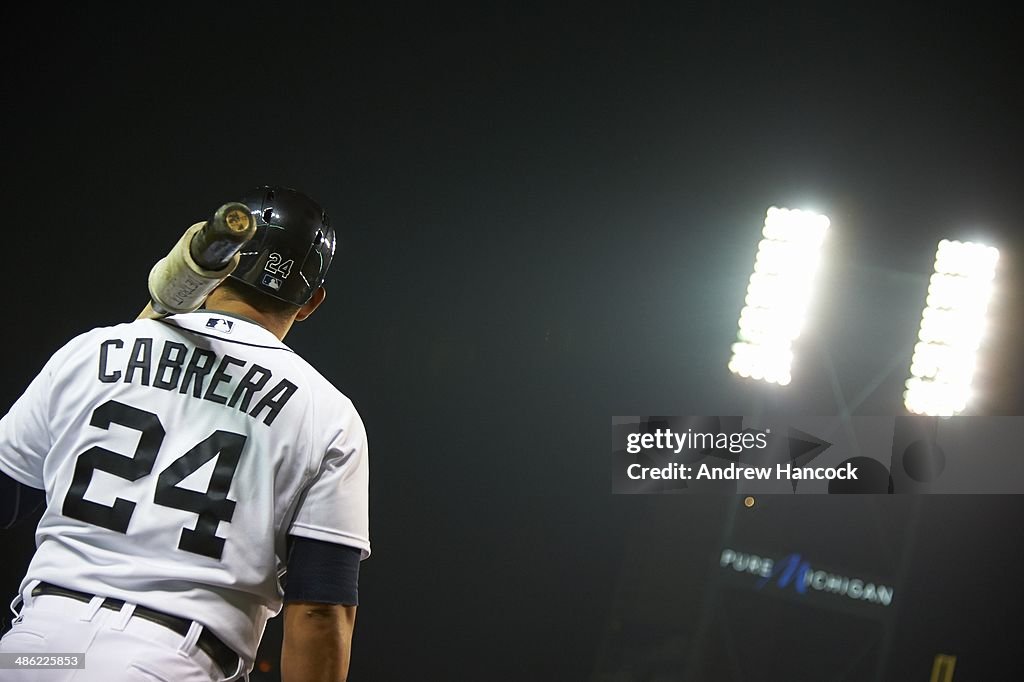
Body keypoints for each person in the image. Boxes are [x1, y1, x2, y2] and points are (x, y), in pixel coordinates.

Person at [0, 186, 369, 681]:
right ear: (311, 303)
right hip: (170, 660)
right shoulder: (327, 413)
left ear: (220, 262)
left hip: (32, 648)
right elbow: (320, 608)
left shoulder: (93, 350)